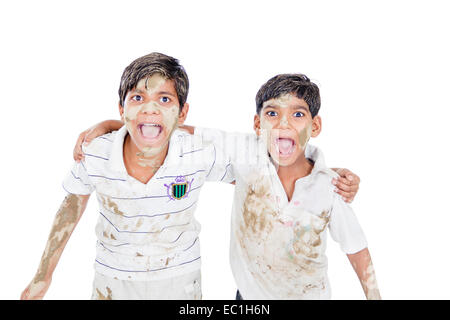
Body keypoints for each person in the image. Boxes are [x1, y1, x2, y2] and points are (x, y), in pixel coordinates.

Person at [72, 73, 365, 299]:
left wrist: (327, 175)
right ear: (257, 122)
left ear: (315, 125)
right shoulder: (243, 152)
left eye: (297, 114)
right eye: (273, 114)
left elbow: (356, 247)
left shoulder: (326, 185)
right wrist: (115, 124)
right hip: (249, 296)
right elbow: (168, 128)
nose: (283, 124)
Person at [21, 52, 236, 300]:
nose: (150, 108)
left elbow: (254, 178)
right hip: (113, 281)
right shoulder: (96, 152)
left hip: (179, 281)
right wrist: (42, 276)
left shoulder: (197, 152)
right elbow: (70, 209)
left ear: (182, 112)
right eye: (137, 98)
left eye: (164, 99)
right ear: (122, 109)